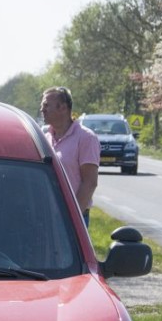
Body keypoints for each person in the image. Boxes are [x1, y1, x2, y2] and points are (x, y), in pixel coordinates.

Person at [40, 86, 100, 227]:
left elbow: (90, 182)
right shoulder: (45, 138)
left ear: (63, 108)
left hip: (72, 219)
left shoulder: (86, 138)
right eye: (42, 106)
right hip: (47, 216)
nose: (42, 109)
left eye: (47, 105)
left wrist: (72, 218)